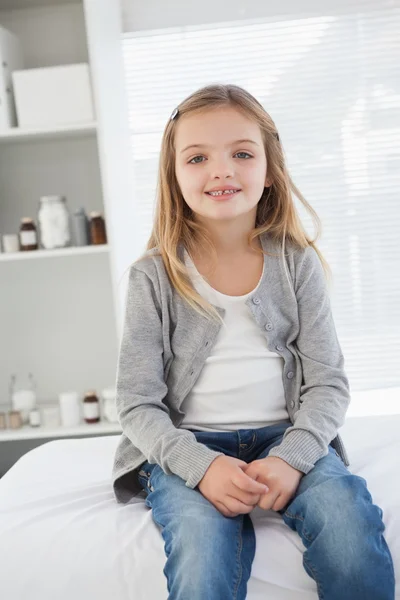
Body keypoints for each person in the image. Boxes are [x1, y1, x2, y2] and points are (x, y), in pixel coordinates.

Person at [112, 84, 395, 599]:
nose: (222, 170)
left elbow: (328, 383)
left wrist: (293, 456)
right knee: (199, 554)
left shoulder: (297, 261)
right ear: (174, 176)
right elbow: (136, 404)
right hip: (188, 444)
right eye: (198, 157)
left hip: (285, 438)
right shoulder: (152, 277)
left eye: (241, 153)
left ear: (269, 170)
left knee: (350, 532)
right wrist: (202, 467)